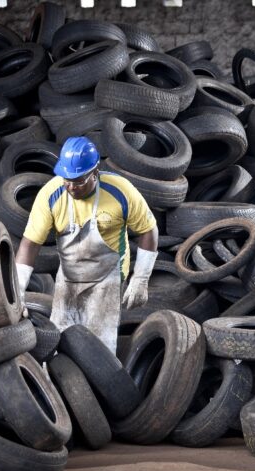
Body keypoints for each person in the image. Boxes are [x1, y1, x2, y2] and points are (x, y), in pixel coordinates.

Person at [14, 136, 158, 353]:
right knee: (57, 344)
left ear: (95, 173)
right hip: (68, 279)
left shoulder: (121, 192)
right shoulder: (51, 195)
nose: (71, 186)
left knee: (99, 350)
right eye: (66, 179)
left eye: (79, 180)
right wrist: (17, 292)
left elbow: (149, 230)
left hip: (107, 280)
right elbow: (30, 244)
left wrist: (140, 279)